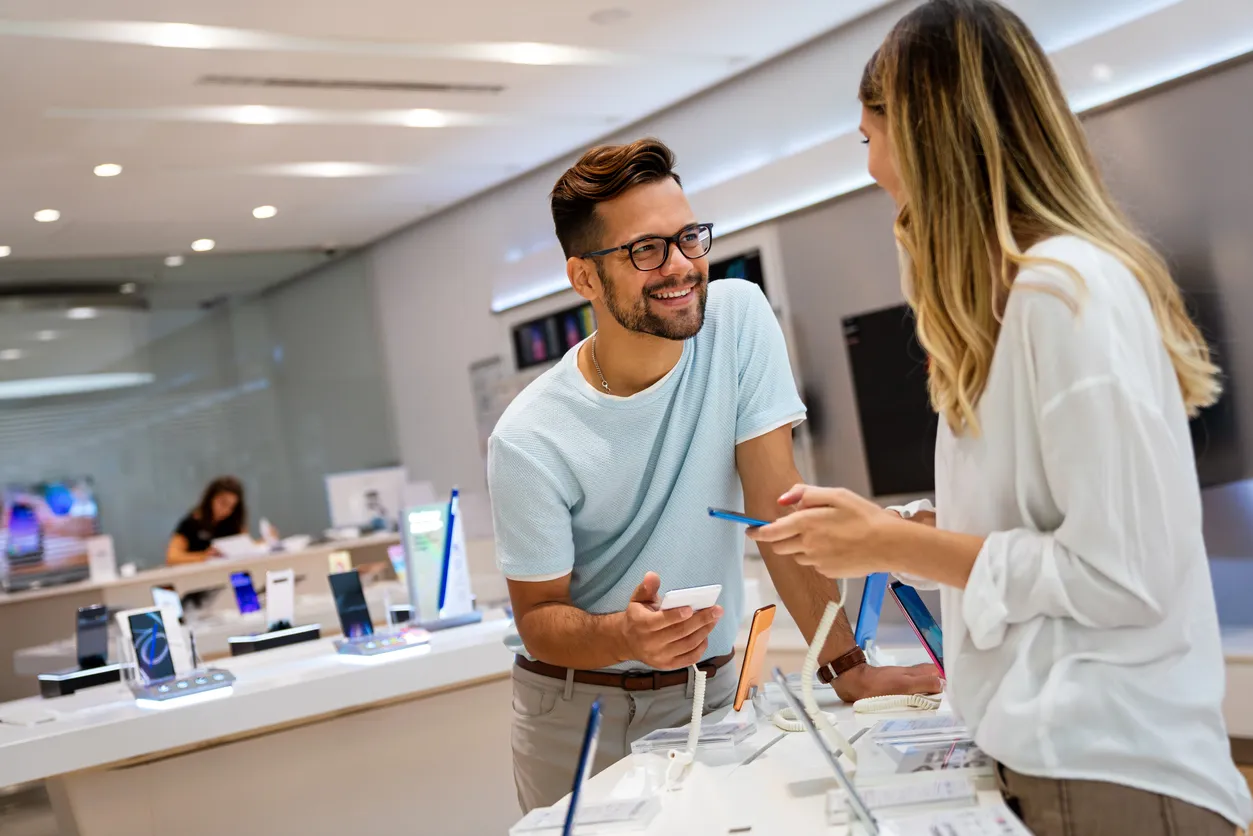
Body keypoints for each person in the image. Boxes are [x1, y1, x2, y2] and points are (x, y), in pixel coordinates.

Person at [748, 2, 1253, 834]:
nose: (870, 165)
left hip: (1105, 767)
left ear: (924, 135)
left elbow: (1117, 575)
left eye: (869, 135)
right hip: (1055, 757)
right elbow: (1050, 533)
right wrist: (904, 532)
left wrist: (890, 545)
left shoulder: (1060, 296)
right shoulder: (1018, 303)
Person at [488, 137, 942, 812]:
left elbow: (773, 507)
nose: (680, 267)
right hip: (579, 709)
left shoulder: (736, 318)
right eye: (646, 250)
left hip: (715, 687)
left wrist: (847, 668)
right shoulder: (529, 437)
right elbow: (538, 620)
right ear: (584, 278)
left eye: (688, 238)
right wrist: (623, 633)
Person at [166, 476, 248, 565]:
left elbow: (246, 548)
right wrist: (205, 556)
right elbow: (172, 557)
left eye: (232, 507)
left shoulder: (233, 523)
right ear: (211, 499)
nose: (226, 510)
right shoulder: (191, 523)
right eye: (223, 503)